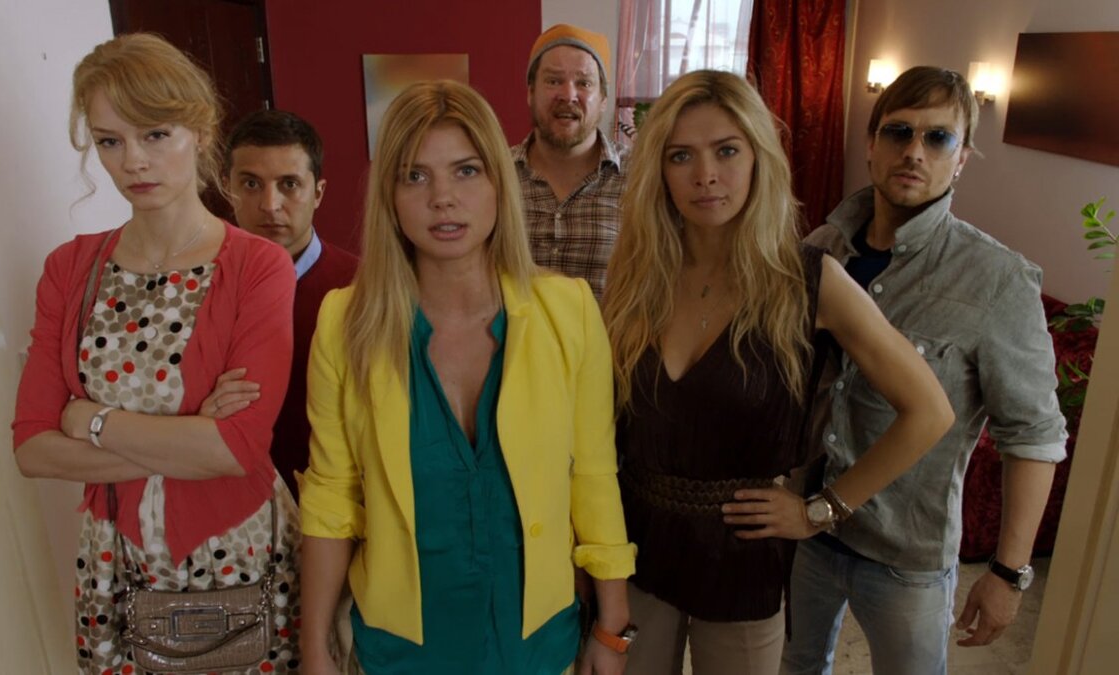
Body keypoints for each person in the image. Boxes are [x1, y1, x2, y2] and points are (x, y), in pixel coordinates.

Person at [601, 70, 954, 674]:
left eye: (727, 151)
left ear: (759, 158)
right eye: (681, 156)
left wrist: (823, 509)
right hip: (637, 545)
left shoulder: (808, 279)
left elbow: (930, 411)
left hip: (745, 557)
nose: (705, 175)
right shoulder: (638, 275)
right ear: (658, 170)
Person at [297, 80, 636, 675]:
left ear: (499, 183)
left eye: (466, 171)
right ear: (390, 197)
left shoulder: (569, 311)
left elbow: (594, 475)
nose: (443, 199)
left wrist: (612, 625)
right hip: (402, 652)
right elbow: (331, 498)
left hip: (535, 644)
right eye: (415, 176)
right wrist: (314, 643)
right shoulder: (344, 323)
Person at [11, 33, 301, 672]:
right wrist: (188, 437)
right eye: (110, 141)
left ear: (200, 131)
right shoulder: (70, 268)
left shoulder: (257, 266)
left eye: (155, 134)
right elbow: (32, 447)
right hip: (117, 559)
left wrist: (88, 419)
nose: (133, 161)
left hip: (239, 548)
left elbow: (234, 450)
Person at [782, 66, 1068, 675]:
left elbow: (1034, 436)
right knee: (796, 665)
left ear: (961, 158)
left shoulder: (997, 280)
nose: (914, 151)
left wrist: (1008, 573)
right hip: (808, 530)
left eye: (938, 138)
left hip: (906, 553)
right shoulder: (823, 248)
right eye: (898, 132)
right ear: (870, 144)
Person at [223, 109, 359, 499]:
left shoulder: (363, 288)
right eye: (251, 183)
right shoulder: (200, 285)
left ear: (318, 193)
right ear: (228, 188)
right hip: (229, 506)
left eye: (289, 184)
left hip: (336, 505)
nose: (270, 204)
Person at [512, 23, 627, 299]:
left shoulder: (641, 176)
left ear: (603, 100)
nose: (568, 95)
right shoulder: (494, 173)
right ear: (530, 92)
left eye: (584, 83)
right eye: (553, 81)